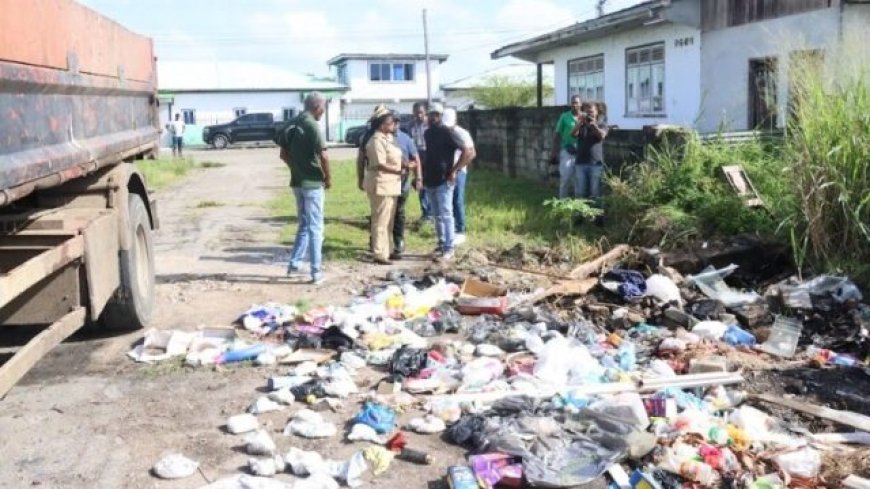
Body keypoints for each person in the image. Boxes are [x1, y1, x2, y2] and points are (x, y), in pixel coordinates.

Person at [276, 92, 331, 284]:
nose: (323, 112)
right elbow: (324, 156)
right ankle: (316, 273)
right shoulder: (312, 126)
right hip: (313, 184)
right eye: (323, 108)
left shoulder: (292, 123)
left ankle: (294, 265)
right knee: (316, 227)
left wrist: (296, 168)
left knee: (304, 224)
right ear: (317, 107)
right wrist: (328, 178)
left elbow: (283, 154)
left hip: (297, 183)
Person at [423, 104, 470, 262]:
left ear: (440, 117)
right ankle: (442, 243)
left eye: (435, 115)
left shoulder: (447, 132)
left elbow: (467, 151)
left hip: (444, 179)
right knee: (437, 215)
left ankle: (449, 247)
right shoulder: (428, 133)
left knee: (446, 214)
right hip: (430, 178)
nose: (432, 118)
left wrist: (454, 170)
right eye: (430, 115)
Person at [363, 108, 403, 264]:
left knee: (389, 220)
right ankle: (379, 253)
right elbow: (379, 164)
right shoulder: (375, 141)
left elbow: (396, 157)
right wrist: (399, 170)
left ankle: (387, 250)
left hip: (392, 184)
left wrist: (404, 166)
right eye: (390, 123)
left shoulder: (389, 138)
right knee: (380, 220)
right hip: (381, 184)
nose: (393, 125)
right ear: (382, 125)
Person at [441, 108, 475, 245]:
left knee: (457, 199)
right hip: (445, 171)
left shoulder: (462, 133)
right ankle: (450, 229)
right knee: (445, 202)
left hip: (459, 171)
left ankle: (460, 230)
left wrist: (456, 170)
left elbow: (471, 154)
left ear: (455, 121)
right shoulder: (442, 133)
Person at [391, 111, 422, 259]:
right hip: (385, 184)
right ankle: (379, 242)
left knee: (399, 213)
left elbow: (416, 159)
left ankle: (399, 241)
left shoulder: (406, 139)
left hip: (402, 184)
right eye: (392, 122)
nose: (394, 125)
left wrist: (418, 177)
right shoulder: (381, 138)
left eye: (397, 122)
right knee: (384, 213)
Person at [570, 102, 609, 206]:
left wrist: (594, 125)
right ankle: (579, 216)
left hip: (596, 164)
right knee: (580, 192)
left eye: (591, 112)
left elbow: (602, 136)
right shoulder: (581, 125)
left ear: (597, 112)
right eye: (587, 112)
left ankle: (598, 218)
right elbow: (573, 134)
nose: (589, 114)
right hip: (580, 163)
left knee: (596, 192)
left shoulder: (602, 124)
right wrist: (580, 123)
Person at [549, 95, 583, 198]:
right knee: (565, 178)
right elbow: (557, 134)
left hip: (581, 152)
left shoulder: (584, 117)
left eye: (576, 102)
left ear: (580, 104)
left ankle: (579, 206)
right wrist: (553, 152)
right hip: (567, 150)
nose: (574, 104)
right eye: (572, 102)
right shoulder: (565, 116)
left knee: (579, 180)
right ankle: (562, 204)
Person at [409, 101, 431, 223]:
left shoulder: (430, 124)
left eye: (421, 113)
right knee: (420, 184)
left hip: (429, 156)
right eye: (416, 113)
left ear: (425, 112)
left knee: (430, 185)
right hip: (417, 156)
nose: (419, 116)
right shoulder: (411, 125)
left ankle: (431, 214)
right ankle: (425, 213)